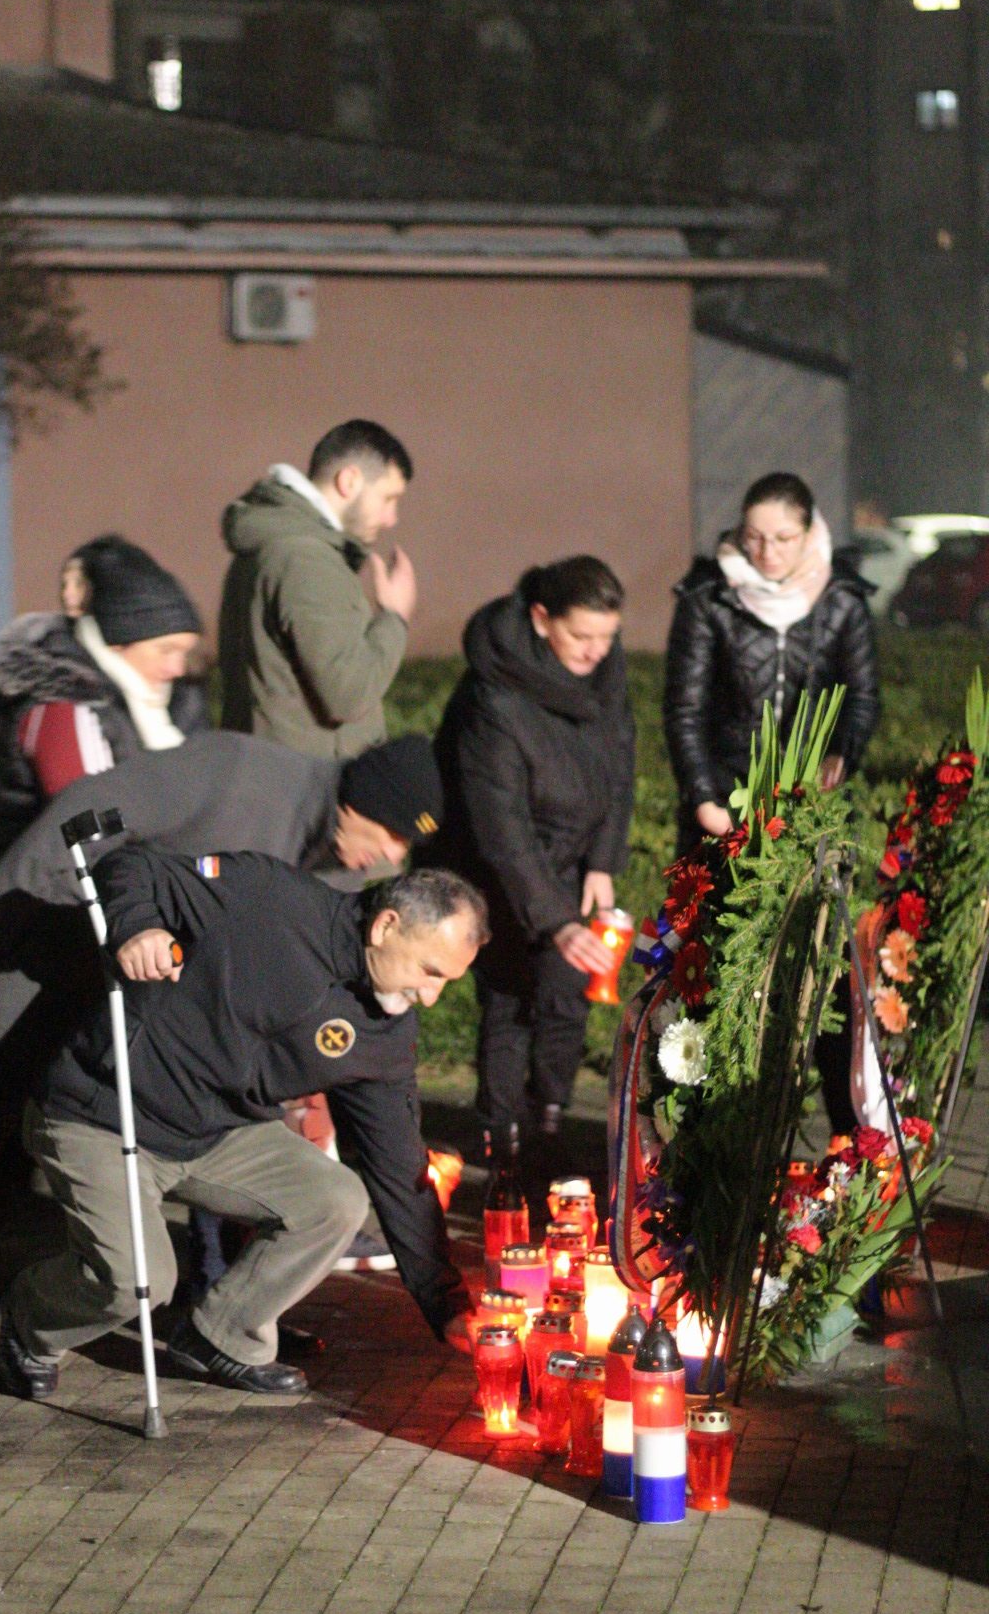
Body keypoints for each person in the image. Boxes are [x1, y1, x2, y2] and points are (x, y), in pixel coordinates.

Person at [0, 732, 447, 1374]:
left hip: (158, 1028)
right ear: (359, 801)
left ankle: (211, 1307)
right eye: (391, 834)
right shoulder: (240, 771)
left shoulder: (344, 867)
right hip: (54, 956)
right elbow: (89, 806)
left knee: (226, 1119)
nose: (392, 856)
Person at [0, 856, 487, 1401]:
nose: (431, 996)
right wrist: (139, 927)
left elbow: (398, 1169)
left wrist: (446, 1305)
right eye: (430, 971)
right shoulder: (267, 897)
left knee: (336, 1201)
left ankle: (223, 1334)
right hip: (106, 1113)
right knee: (137, 1282)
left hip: (221, 1133)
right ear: (386, 926)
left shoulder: (384, 1033)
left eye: (446, 981)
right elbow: (133, 865)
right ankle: (32, 1324)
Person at [433, 557, 635, 1162]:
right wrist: (556, 920)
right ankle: (502, 1137)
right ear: (543, 619)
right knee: (509, 999)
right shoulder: (494, 695)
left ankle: (549, 1121)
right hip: (500, 869)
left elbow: (619, 763)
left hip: (572, 858)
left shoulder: (602, 671)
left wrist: (602, 860)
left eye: (607, 636)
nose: (597, 651)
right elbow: (502, 824)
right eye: (582, 635)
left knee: (566, 994)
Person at [0, 535, 206, 893]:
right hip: (36, 902)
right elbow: (89, 828)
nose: (177, 668)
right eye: (165, 650)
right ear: (119, 641)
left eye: (184, 652)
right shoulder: (63, 707)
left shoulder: (161, 703)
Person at [664, 472, 880, 855]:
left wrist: (841, 755)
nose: (767, 552)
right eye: (754, 537)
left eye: (784, 538)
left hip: (810, 798)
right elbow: (685, 710)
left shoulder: (842, 599)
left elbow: (862, 697)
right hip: (725, 798)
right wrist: (703, 798)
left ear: (809, 533)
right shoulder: (708, 597)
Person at [218, 419, 417, 759]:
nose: (391, 518)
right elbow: (348, 695)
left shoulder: (270, 545)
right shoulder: (307, 560)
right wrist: (394, 618)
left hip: (268, 772)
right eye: (388, 498)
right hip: (306, 781)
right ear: (349, 481)